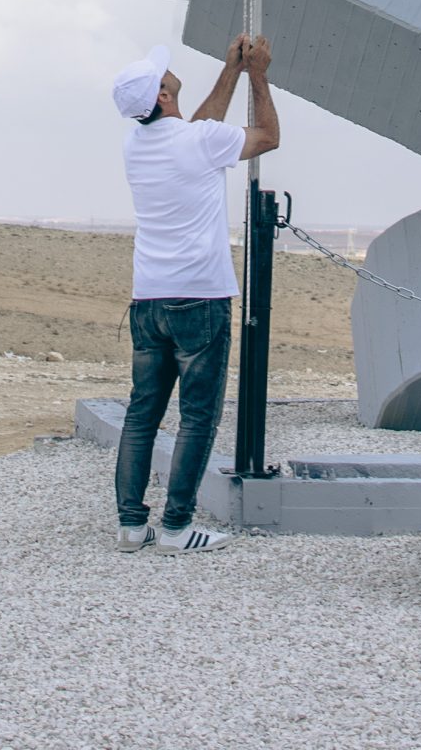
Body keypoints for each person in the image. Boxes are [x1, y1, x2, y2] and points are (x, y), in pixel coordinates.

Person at [110, 32, 279, 554]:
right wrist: (257, 75)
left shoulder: (137, 145)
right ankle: (178, 527)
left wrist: (230, 71)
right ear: (164, 95)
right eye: (163, 75)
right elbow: (267, 137)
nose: (169, 73)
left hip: (148, 298)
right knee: (198, 417)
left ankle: (132, 526)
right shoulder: (199, 142)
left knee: (142, 413)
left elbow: (198, 128)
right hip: (200, 299)